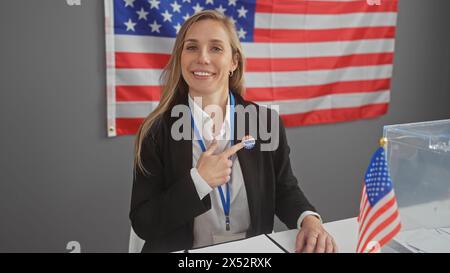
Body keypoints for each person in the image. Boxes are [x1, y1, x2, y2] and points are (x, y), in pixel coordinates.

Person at [130, 10, 337, 253]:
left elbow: (284, 188)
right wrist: (199, 182)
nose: (203, 58)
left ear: (234, 62)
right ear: (180, 58)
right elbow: (144, 222)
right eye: (192, 47)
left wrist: (309, 220)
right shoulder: (156, 130)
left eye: (216, 48)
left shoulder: (264, 122)